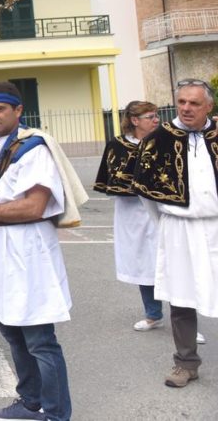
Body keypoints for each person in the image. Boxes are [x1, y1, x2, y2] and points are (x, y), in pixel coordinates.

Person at [0, 81, 72, 421]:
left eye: (0, 109)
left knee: (39, 339)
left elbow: (35, 206)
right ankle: (30, 400)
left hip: (26, 252)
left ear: (18, 111)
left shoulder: (34, 149)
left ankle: (56, 412)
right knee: (11, 331)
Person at [132, 79, 218, 388]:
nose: (186, 108)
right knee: (182, 297)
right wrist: (167, 221)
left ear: (208, 106)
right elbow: (145, 193)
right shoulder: (158, 139)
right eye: (181, 102)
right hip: (178, 228)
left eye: (194, 103)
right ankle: (186, 363)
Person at [94, 101, 169, 332]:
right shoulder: (117, 145)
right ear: (135, 120)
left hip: (163, 210)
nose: (156, 120)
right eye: (150, 116)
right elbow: (113, 177)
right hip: (132, 214)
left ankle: (184, 320)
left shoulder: (164, 141)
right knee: (143, 263)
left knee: (172, 262)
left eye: (156, 116)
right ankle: (153, 314)